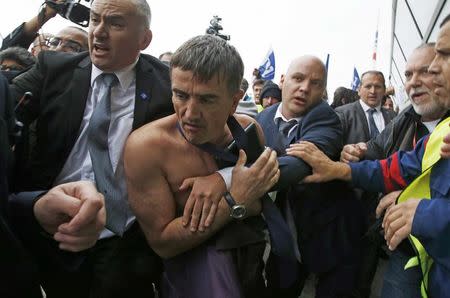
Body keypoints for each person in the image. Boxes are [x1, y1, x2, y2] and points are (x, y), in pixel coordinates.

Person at [9, 0, 174, 297]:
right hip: (46, 229)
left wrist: (218, 180)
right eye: (95, 19)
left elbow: (222, 131)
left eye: (115, 23)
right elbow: (5, 103)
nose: (98, 32)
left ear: (144, 39)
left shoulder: (169, 85)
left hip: (124, 245)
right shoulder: (53, 69)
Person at [286, 17, 450, 294]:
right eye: (408, 74)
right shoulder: (425, 128)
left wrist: (420, 209)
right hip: (406, 252)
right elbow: (391, 167)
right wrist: (341, 165)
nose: (430, 73)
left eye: (443, 58)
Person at [125, 34, 279, 298]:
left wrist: (222, 179)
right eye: (181, 95)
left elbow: (262, 198)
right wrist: (235, 199)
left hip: (248, 267)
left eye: (207, 100)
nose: (190, 113)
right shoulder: (146, 148)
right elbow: (163, 243)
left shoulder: (248, 131)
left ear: (234, 100)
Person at [340, 42, 449, 297]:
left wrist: (405, 198)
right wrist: (357, 152)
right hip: (406, 250)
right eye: (409, 75)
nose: (414, 82)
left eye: (427, 72)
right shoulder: (405, 117)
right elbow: (382, 153)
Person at [256, 55, 363, 297]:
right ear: (283, 80)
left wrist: (233, 179)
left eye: (315, 83)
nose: (305, 88)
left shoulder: (326, 118)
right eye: (298, 78)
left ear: (323, 91)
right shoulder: (262, 118)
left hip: (331, 236)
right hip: (284, 236)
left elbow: (297, 166)